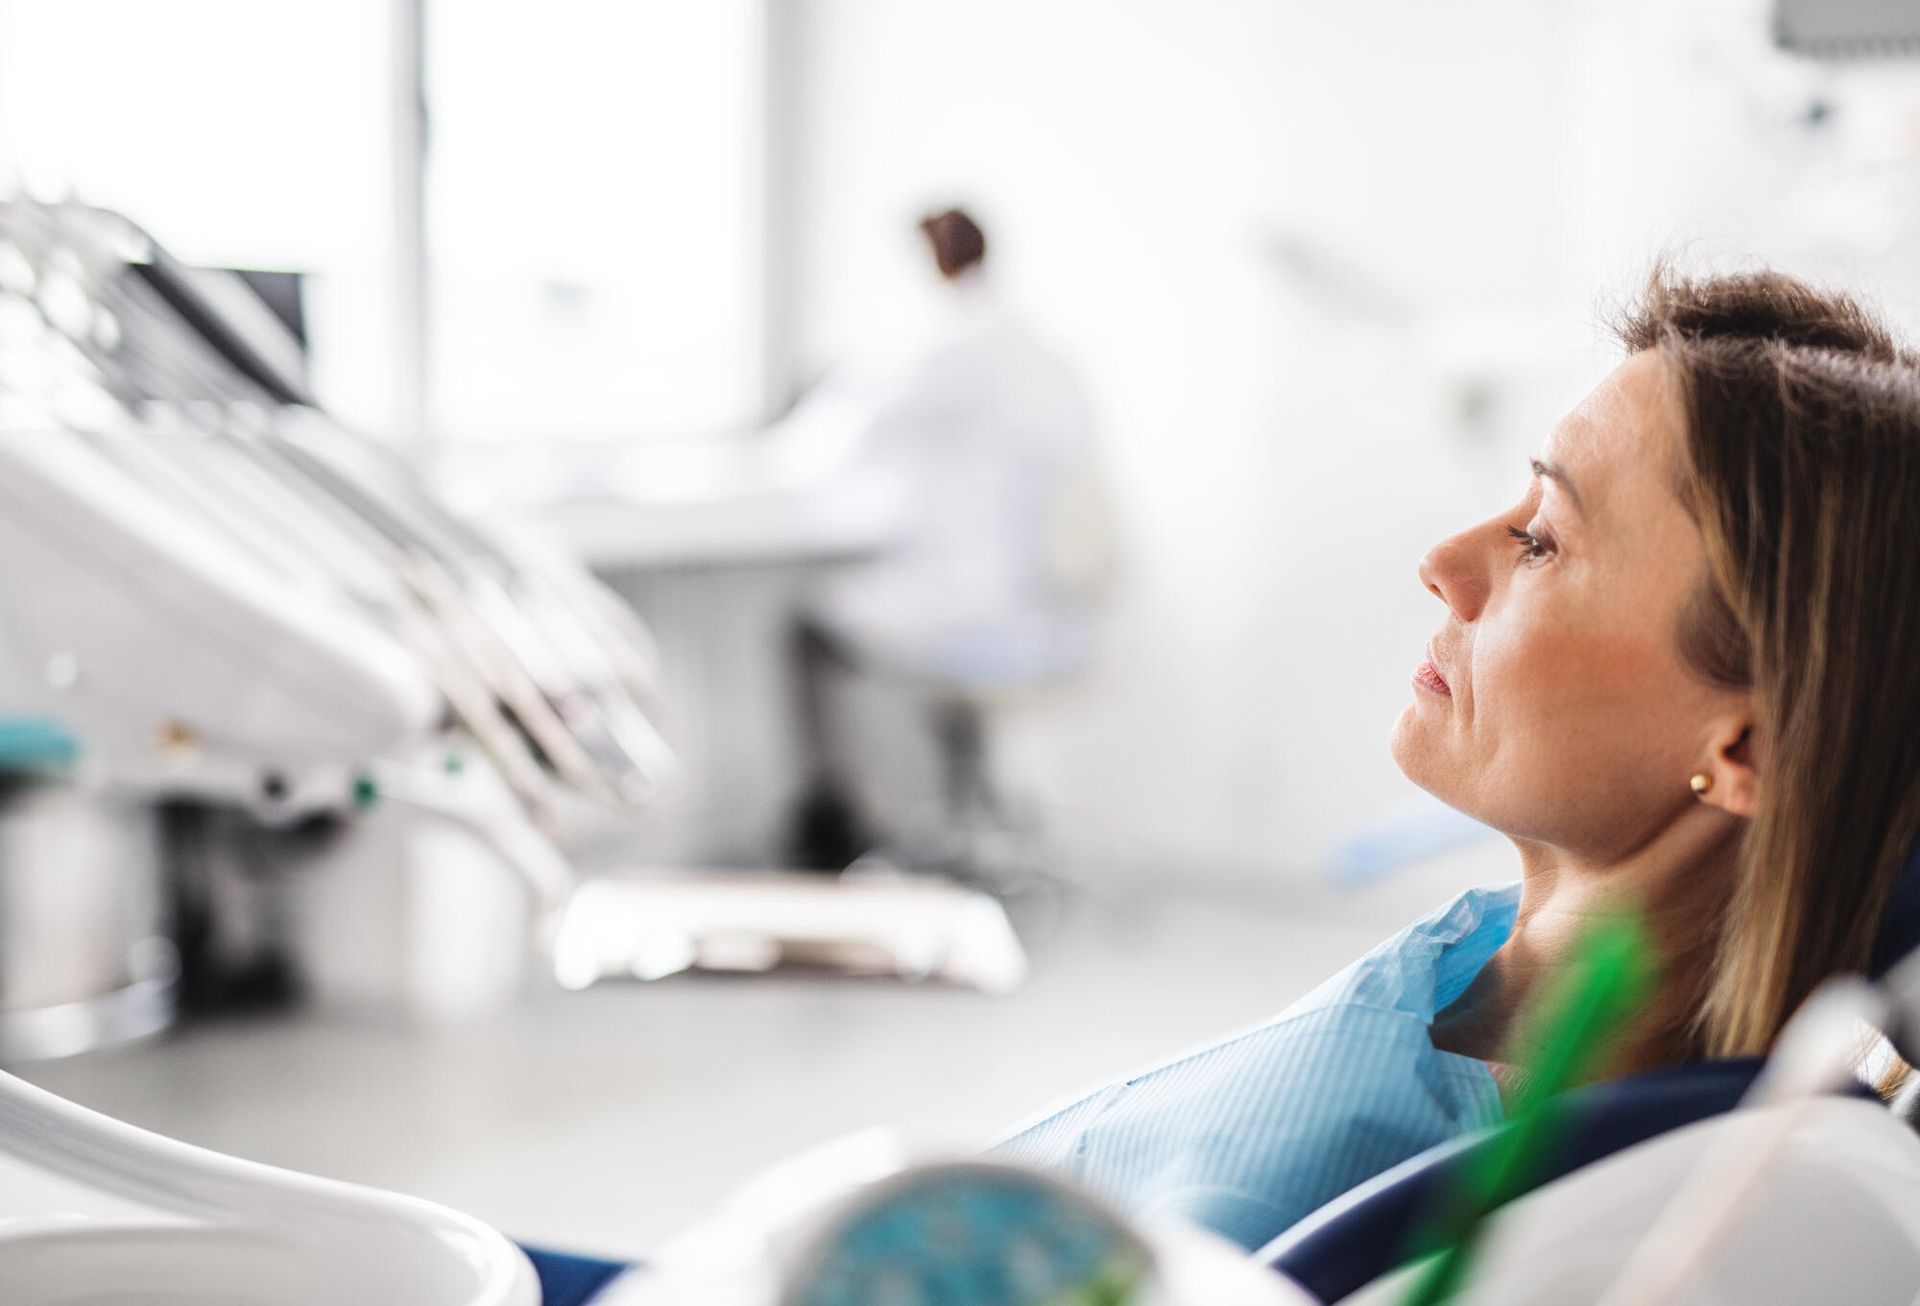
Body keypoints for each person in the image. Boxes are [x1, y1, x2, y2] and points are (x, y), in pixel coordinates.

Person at [989, 267, 1920, 1251]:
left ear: (1746, 745)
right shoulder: (1475, 995)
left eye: (1545, 541)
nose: (1443, 560)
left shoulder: (1427, 1189)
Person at [780, 209, 1104, 870]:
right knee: (918, 656)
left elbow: (818, 447)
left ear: (931, 259)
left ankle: (843, 824)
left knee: (812, 631)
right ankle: (972, 819)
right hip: (1052, 615)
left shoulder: (939, 347)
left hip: (966, 608)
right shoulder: (1045, 351)